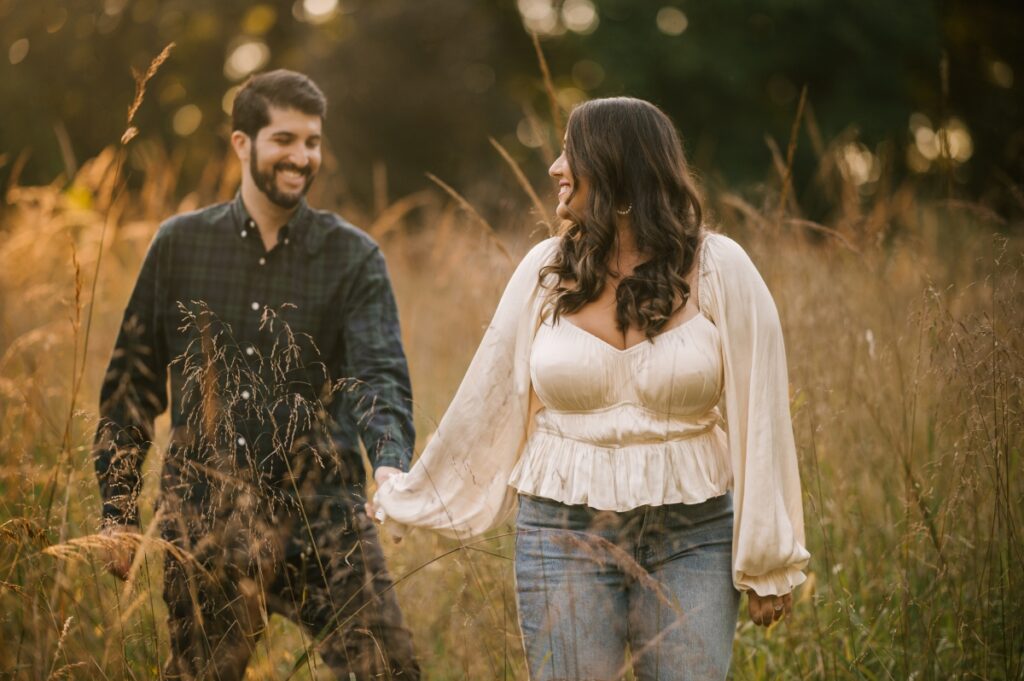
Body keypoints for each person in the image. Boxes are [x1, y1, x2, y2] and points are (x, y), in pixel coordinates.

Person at [371, 97, 810, 680]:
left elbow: (762, 417)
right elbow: (488, 399)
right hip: (561, 531)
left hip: (694, 534)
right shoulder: (545, 271)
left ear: (617, 169)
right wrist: (413, 492)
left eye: (569, 153)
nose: (555, 168)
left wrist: (770, 561)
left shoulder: (719, 267)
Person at [93, 69, 419, 680]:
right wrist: (117, 510)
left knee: (389, 670)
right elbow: (130, 385)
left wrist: (392, 463)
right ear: (242, 143)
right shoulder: (179, 246)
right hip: (203, 517)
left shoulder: (354, 258)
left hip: (323, 515)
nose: (302, 157)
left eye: (313, 143)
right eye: (285, 140)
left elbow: (379, 376)